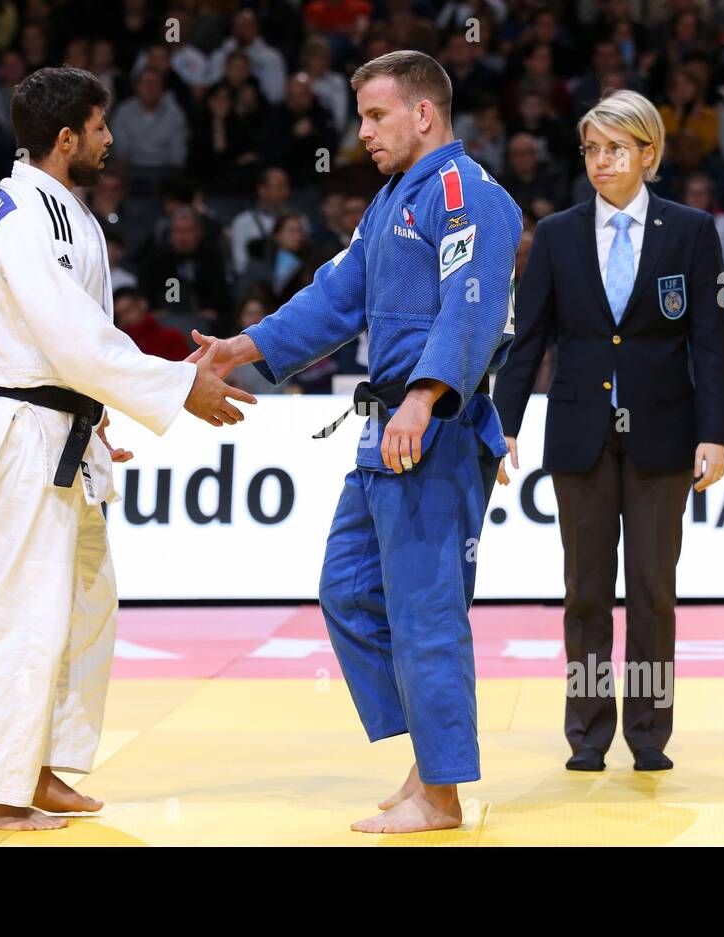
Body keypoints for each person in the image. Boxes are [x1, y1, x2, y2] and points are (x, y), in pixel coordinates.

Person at [189, 51, 522, 834]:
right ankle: (430, 756)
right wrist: (246, 345)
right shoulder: (387, 204)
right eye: (361, 115)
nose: (362, 131)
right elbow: (336, 298)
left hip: (430, 429)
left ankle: (440, 794)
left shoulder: (466, 193)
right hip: (384, 428)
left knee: (427, 611)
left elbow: (471, 309)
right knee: (347, 590)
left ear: (424, 114)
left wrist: (425, 395)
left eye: (376, 115)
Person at [0, 66, 252, 833]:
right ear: (67, 136)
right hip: (25, 437)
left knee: (82, 603)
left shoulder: (53, 207)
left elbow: (74, 343)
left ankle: (37, 766)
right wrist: (179, 391)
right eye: (102, 127)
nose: (113, 140)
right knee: (26, 612)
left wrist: (104, 410)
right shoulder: (21, 217)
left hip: (61, 425)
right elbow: (75, 340)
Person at [493, 90, 724, 773]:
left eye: (616, 149)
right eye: (592, 149)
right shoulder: (558, 234)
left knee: (654, 588)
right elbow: (528, 336)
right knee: (586, 592)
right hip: (579, 434)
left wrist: (714, 432)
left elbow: (711, 342)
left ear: (648, 154)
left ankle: (650, 733)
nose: (601, 162)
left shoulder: (691, 230)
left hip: (664, 435)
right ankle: (588, 733)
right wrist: (504, 423)